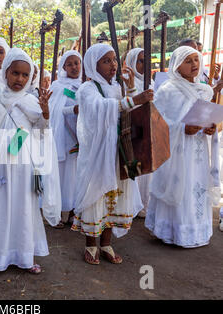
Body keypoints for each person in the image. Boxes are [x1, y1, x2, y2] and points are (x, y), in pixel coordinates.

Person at [0, 48, 61, 275]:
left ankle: (25, 257)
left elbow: (42, 134)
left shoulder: (32, 102)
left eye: (25, 75)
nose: (20, 79)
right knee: (0, 212)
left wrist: (45, 113)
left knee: (25, 211)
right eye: (15, 73)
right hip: (1, 168)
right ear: (6, 73)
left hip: (25, 169)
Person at [72, 43, 153, 265]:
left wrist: (132, 90)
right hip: (98, 156)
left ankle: (106, 243)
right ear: (92, 64)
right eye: (106, 61)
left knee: (116, 196)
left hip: (119, 153)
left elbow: (131, 112)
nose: (113, 65)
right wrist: (132, 100)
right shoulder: (87, 89)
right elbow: (100, 109)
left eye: (114, 60)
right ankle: (91, 245)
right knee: (96, 195)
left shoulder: (118, 88)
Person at [145, 46, 220, 248]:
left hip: (199, 151)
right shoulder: (168, 91)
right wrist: (181, 128)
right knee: (182, 185)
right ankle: (173, 232)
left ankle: (196, 232)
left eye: (196, 59)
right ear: (177, 66)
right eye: (188, 61)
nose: (194, 64)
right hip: (178, 151)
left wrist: (211, 128)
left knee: (196, 188)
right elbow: (157, 123)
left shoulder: (203, 89)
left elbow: (206, 116)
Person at [47, 50, 82, 229]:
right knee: (61, 176)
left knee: (74, 176)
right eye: (70, 64)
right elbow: (54, 111)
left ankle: (73, 211)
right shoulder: (57, 86)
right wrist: (72, 110)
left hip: (79, 138)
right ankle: (59, 213)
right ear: (63, 67)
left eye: (77, 63)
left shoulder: (85, 86)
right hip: (63, 137)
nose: (74, 67)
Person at [124, 48, 154, 218]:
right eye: (140, 61)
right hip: (132, 132)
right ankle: (130, 205)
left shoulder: (152, 83)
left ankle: (144, 204)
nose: (144, 65)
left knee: (147, 173)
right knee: (132, 170)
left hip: (148, 133)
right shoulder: (124, 82)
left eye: (146, 61)